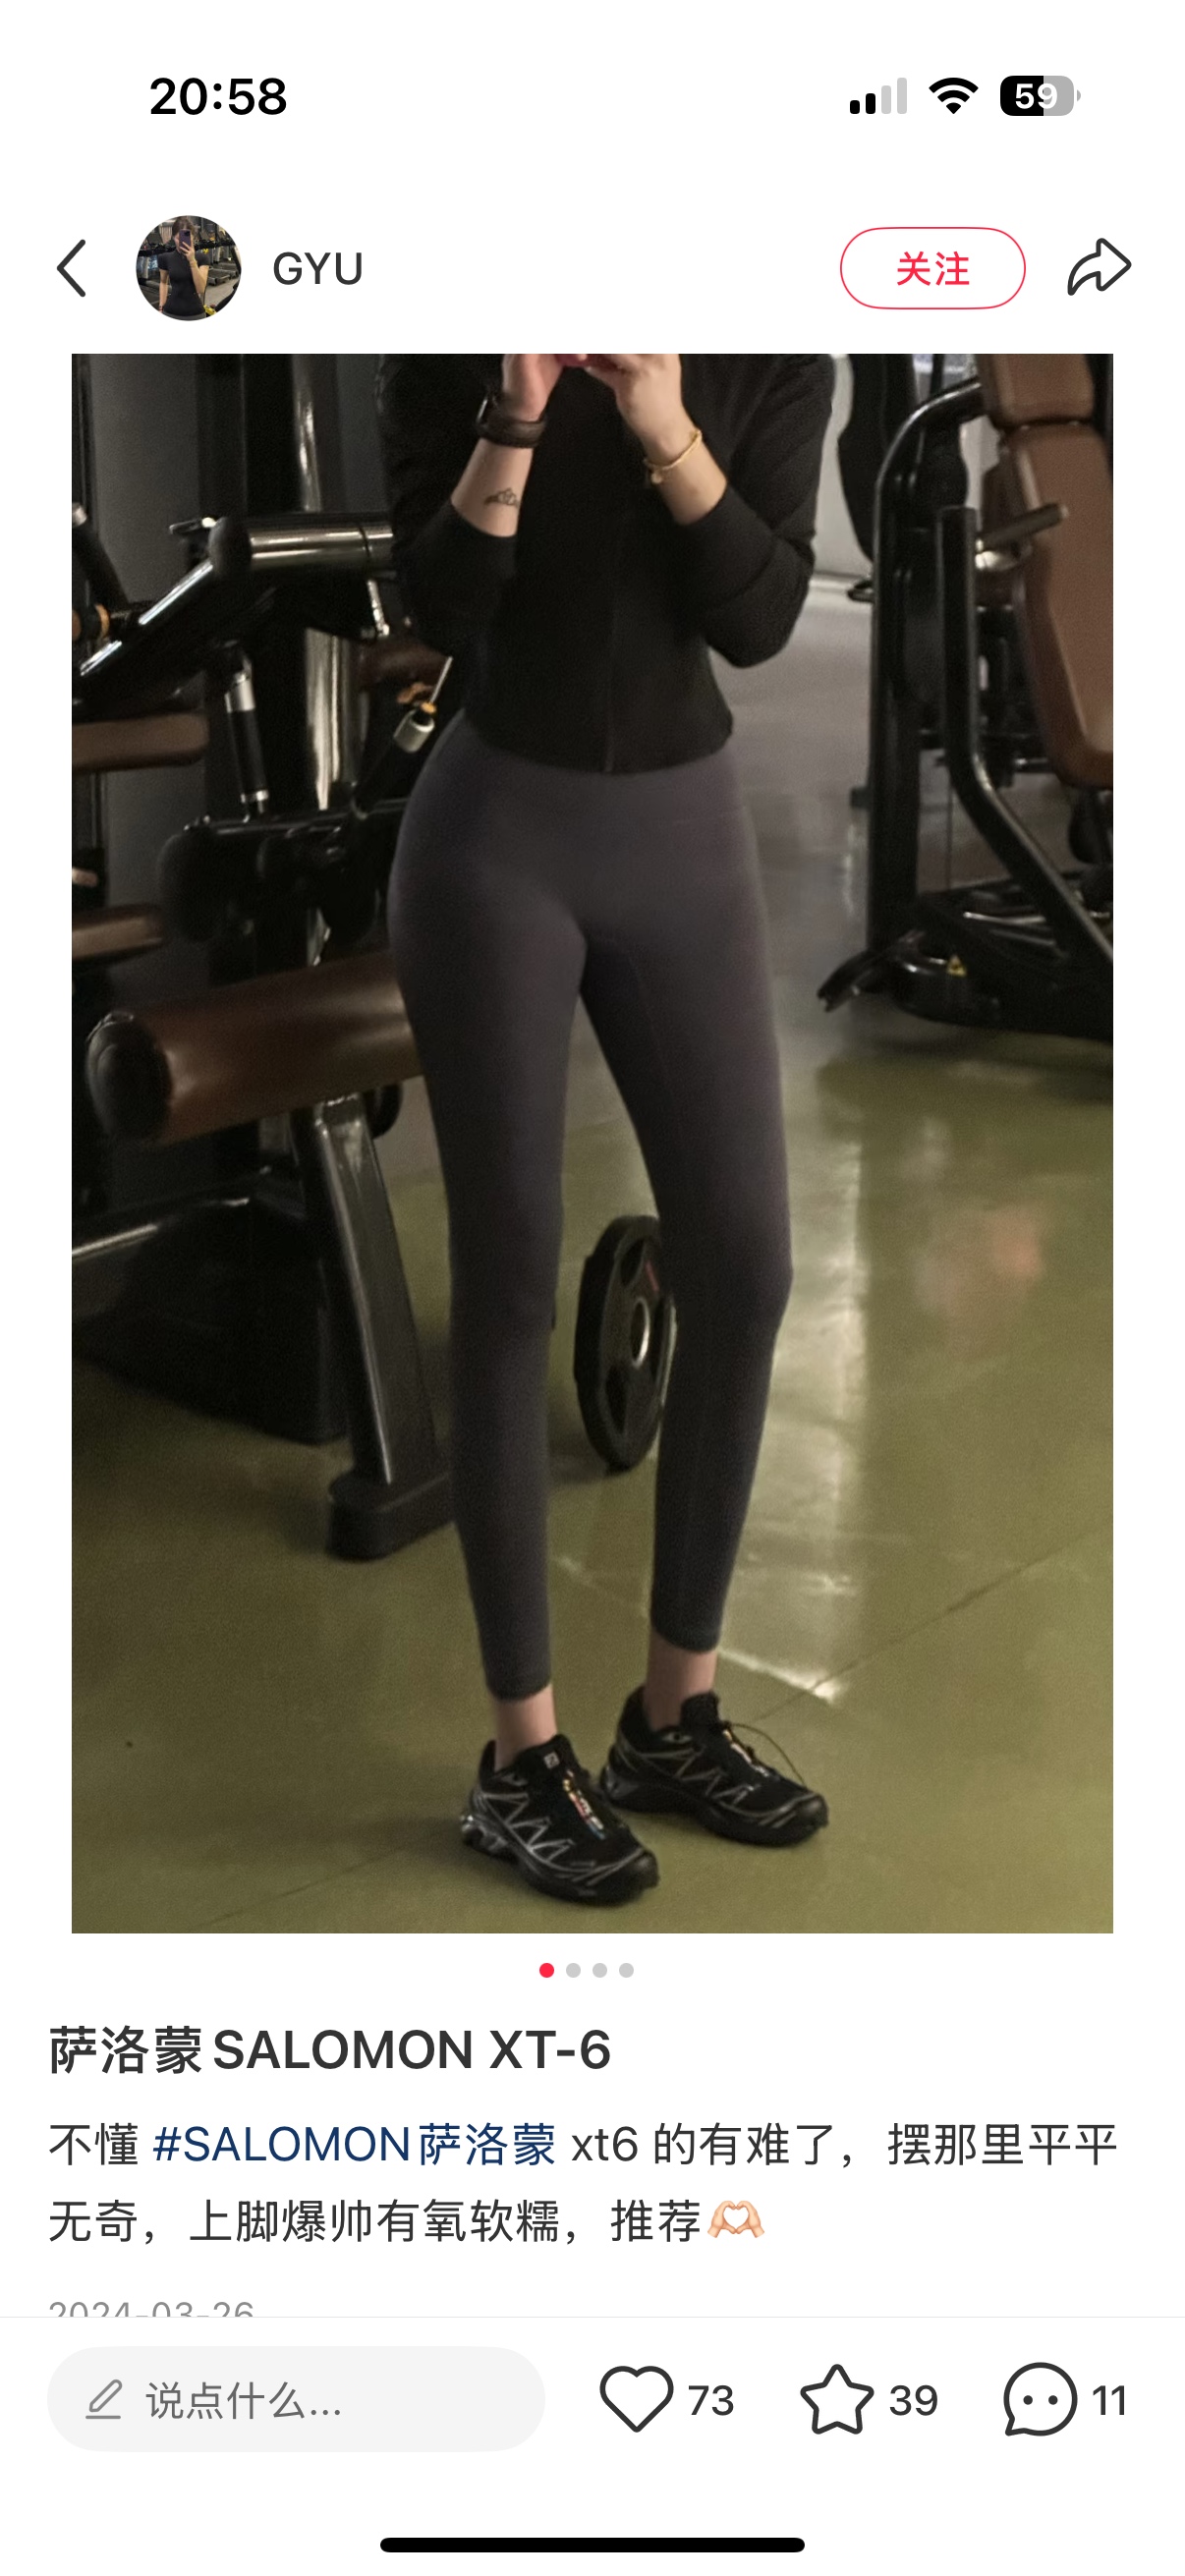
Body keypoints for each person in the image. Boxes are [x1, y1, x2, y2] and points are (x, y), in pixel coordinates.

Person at [378, 353, 834, 1906]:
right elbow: (443, 602)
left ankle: (670, 1715)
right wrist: (516, 413)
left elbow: (758, 616)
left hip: (681, 835)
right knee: (509, 1279)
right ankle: (520, 1756)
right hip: (495, 837)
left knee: (746, 1265)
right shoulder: (456, 339)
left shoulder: (774, 352)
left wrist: (657, 419)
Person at [156, 221, 208, 321]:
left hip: (195, 313)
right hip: (170, 311)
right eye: (178, 238)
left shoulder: (202, 258)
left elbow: (201, 289)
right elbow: (163, 282)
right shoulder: (165, 258)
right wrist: (161, 307)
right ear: (173, 237)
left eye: (186, 238)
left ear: (193, 238)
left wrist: (192, 260)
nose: (182, 242)